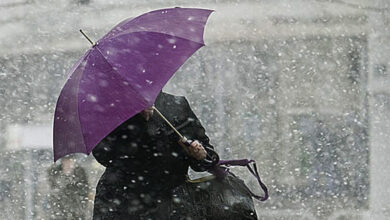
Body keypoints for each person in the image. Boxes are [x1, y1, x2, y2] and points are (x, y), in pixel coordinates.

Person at [92, 91, 216, 219]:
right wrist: (138, 122)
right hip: (121, 203)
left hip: (172, 204)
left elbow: (207, 155)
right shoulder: (113, 110)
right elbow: (103, 155)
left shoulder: (177, 105)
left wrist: (200, 155)